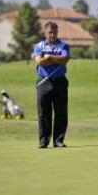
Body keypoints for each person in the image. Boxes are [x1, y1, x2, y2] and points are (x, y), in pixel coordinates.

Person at [33, 21, 70, 149]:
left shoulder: (64, 45)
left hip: (60, 81)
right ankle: (44, 140)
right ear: (45, 32)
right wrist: (55, 59)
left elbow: (65, 60)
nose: (52, 35)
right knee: (44, 112)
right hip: (43, 81)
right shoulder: (38, 46)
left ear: (57, 32)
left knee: (61, 112)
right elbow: (40, 62)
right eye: (50, 32)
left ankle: (58, 141)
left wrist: (49, 57)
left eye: (54, 32)